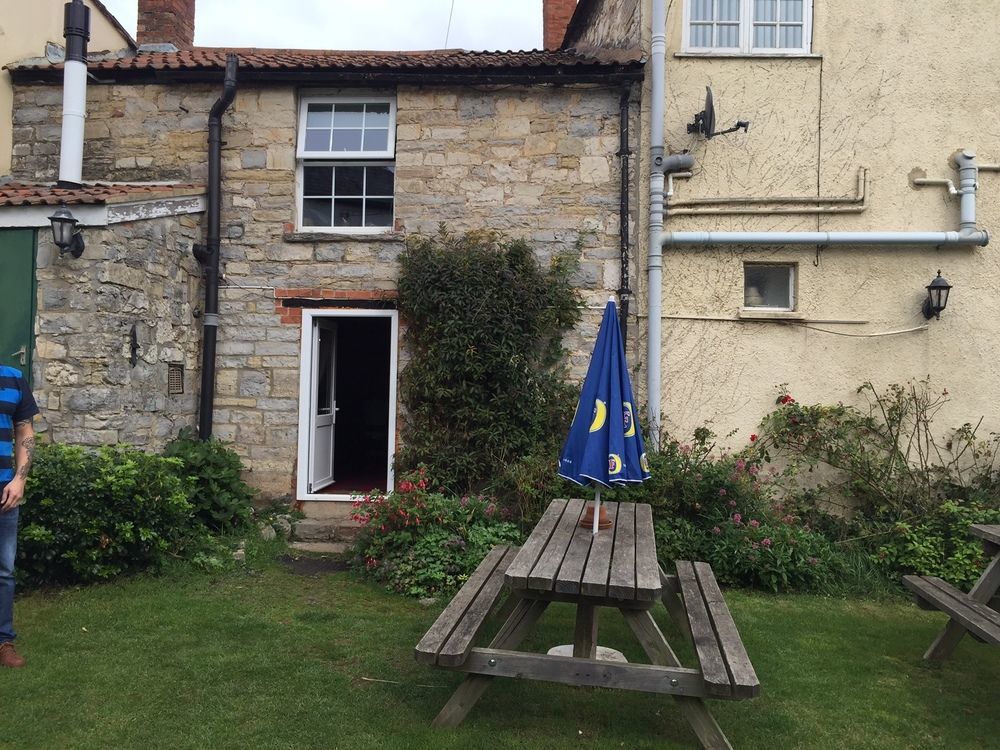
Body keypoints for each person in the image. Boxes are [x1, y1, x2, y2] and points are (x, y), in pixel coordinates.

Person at [0, 365, 38, 669]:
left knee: (4, 571)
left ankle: (3, 642)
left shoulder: (13, 377)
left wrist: (19, 480)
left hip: (4, 491)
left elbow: (24, 430)